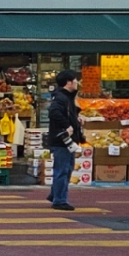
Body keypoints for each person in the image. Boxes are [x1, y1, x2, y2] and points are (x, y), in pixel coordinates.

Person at [47, 69, 84, 211]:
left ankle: (55, 194)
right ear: (68, 82)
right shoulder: (61, 97)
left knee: (66, 169)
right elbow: (54, 112)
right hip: (62, 140)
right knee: (63, 170)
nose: (77, 82)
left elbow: (65, 113)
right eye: (75, 80)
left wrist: (76, 120)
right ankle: (59, 200)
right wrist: (67, 125)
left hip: (67, 141)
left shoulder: (66, 97)